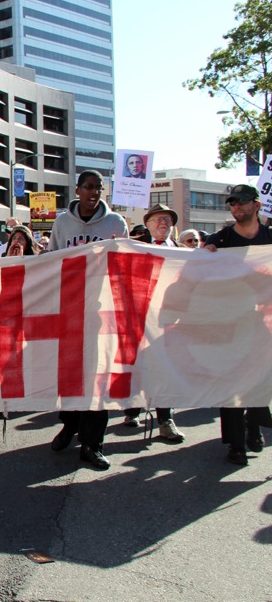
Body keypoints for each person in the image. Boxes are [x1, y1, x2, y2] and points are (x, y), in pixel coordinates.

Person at [47, 170, 128, 470]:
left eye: (99, 188)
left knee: (97, 379)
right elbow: (50, 260)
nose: (94, 192)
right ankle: (69, 425)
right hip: (68, 311)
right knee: (69, 377)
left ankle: (93, 445)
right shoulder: (62, 222)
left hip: (100, 312)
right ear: (78, 189)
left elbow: (124, 264)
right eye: (89, 187)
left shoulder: (115, 223)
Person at [203, 184, 272, 465]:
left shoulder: (270, 238)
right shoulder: (219, 241)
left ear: (256, 205)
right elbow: (197, 274)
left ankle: (253, 426)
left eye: (242, 202)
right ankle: (236, 443)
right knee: (230, 384)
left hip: (263, 324)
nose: (236, 207)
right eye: (232, 203)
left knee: (259, 379)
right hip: (229, 323)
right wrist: (201, 258)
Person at [121, 204, 186, 442]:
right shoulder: (136, 250)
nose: (163, 223)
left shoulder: (183, 252)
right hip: (139, 318)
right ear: (147, 225)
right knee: (138, 365)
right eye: (158, 219)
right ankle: (133, 409)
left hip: (168, 320)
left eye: (168, 219)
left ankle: (165, 420)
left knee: (165, 369)